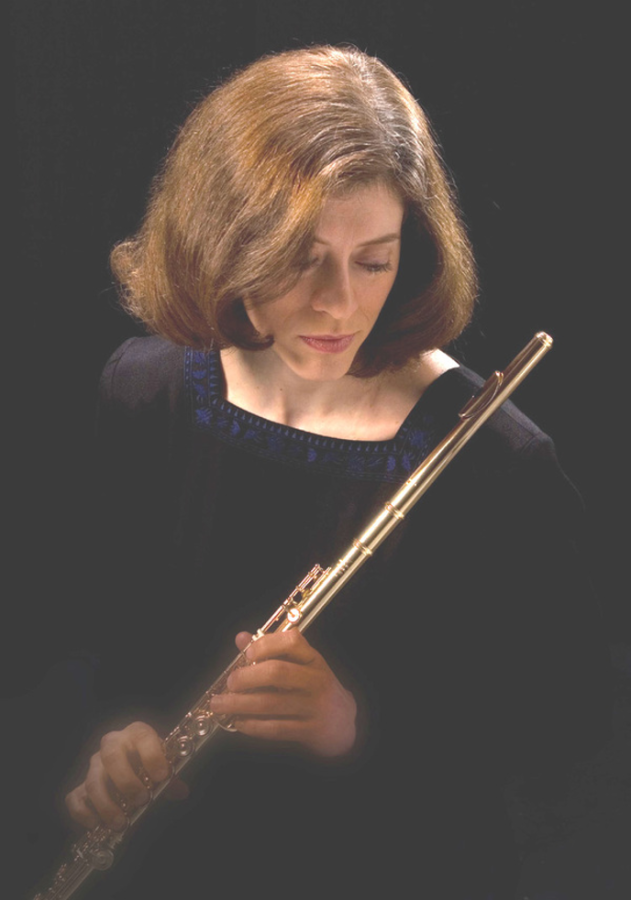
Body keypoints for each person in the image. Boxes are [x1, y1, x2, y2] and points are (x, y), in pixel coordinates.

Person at [57, 46, 608, 899]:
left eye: (373, 260)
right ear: (222, 237)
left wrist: (362, 728)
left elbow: (568, 751)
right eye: (299, 256)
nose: (338, 304)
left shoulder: (497, 462)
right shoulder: (144, 391)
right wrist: (117, 739)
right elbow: (107, 639)